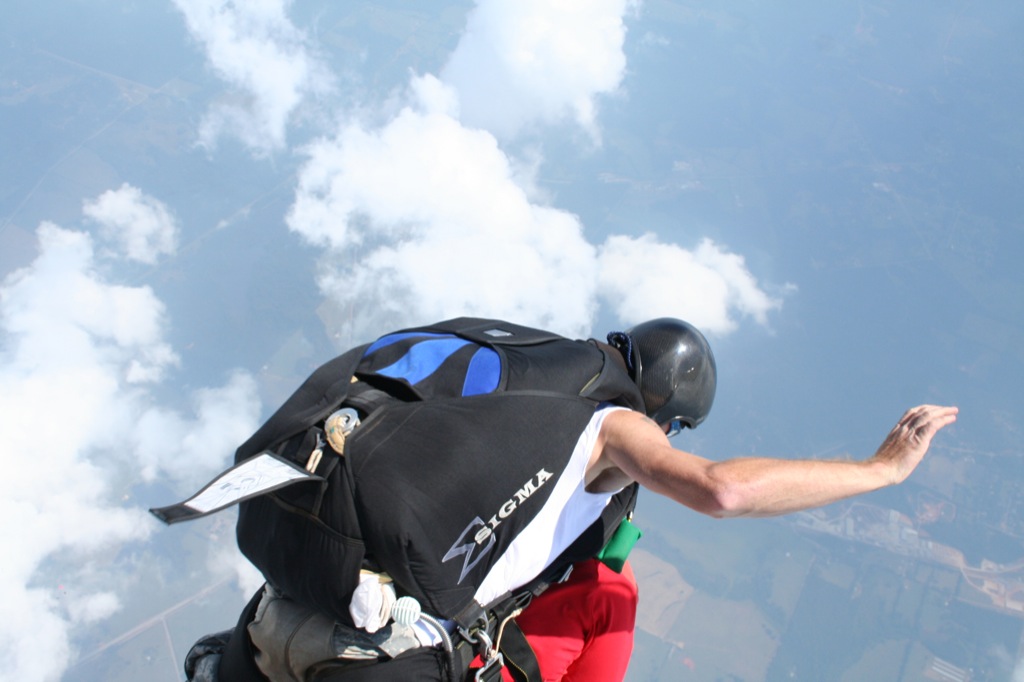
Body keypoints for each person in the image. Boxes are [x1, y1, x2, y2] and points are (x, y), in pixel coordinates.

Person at [174, 317, 956, 682]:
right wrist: (879, 471)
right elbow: (724, 490)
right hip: (380, 661)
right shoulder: (611, 424)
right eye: (672, 431)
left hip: (274, 610)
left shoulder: (513, 364)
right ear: (663, 411)